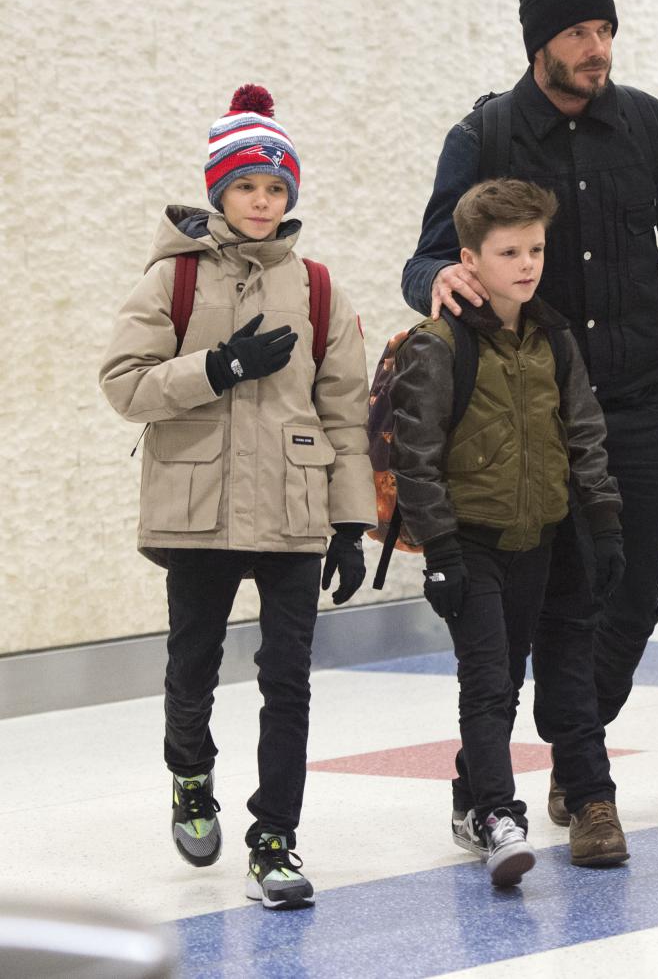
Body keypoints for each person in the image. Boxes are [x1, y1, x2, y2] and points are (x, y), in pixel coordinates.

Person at [402, 0, 658, 827]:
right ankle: (566, 775)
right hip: (522, 410)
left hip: (632, 402)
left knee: (630, 593)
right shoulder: (484, 136)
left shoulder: (649, 126)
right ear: (540, 47)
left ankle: (573, 745)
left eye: (604, 31)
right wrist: (438, 282)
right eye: (578, 34)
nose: (597, 49)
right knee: (529, 618)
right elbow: (423, 259)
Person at [100, 85, 376, 909]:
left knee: (287, 681)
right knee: (193, 668)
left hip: (292, 513)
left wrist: (353, 520)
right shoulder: (171, 283)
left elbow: (345, 414)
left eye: (276, 188)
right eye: (247, 187)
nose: (262, 202)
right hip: (198, 510)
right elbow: (123, 384)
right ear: (219, 190)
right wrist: (217, 369)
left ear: (291, 196)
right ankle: (190, 773)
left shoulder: (321, 289)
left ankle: (275, 841)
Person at [389, 179, 626, 883]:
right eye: (508, 252)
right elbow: (416, 458)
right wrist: (439, 552)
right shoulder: (438, 345)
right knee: (489, 683)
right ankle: (497, 814)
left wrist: (605, 521)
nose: (526, 264)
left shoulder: (552, 336)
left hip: (548, 540)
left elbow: (583, 432)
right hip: (472, 544)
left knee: (524, 677)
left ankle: (471, 796)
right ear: (468, 258)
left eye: (536, 249)